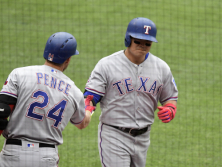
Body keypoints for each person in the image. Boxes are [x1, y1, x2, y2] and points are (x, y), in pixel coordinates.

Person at [84, 17, 178, 167]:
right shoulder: (107, 64)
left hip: (143, 137)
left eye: (147, 43)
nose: (142, 46)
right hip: (113, 135)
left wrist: (171, 109)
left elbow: (170, 98)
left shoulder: (161, 68)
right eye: (138, 41)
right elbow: (90, 96)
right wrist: (88, 108)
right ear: (128, 39)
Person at [0, 32, 95, 167]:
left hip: (12, 154)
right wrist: (88, 108)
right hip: (45, 157)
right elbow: (82, 123)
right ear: (68, 59)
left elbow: (2, 111)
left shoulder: (19, 74)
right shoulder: (74, 91)